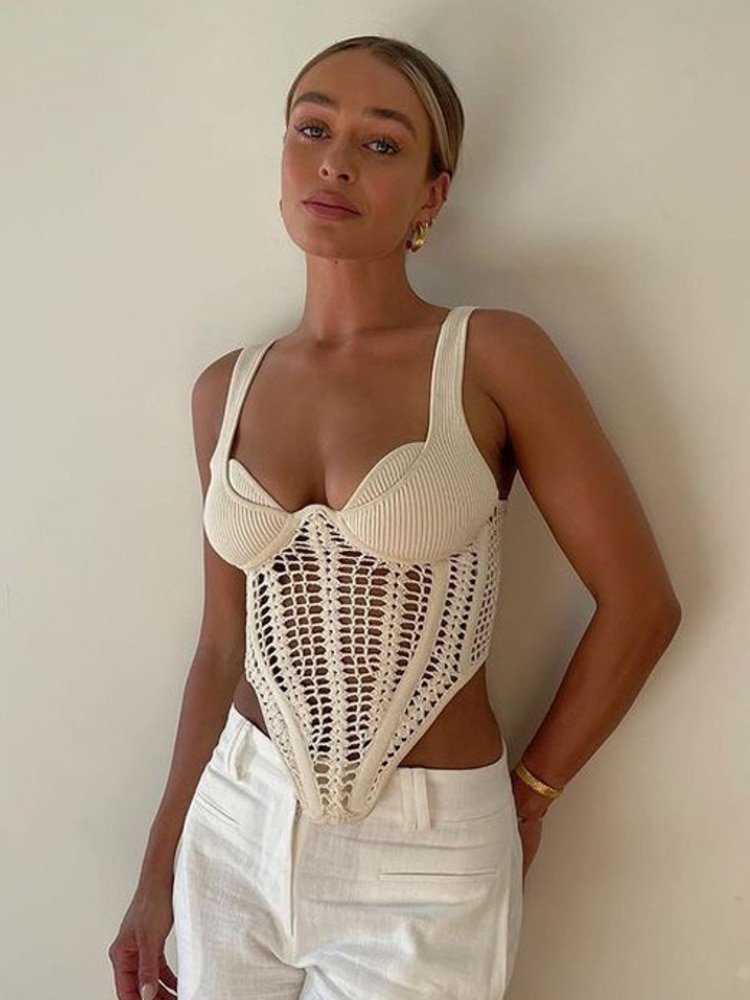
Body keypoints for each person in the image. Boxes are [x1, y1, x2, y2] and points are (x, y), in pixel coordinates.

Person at [108, 34, 682, 1000]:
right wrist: (157, 863)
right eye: (312, 129)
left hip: (429, 858)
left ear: (431, 195)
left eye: (381, 143)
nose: (335, 160)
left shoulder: (493, 355)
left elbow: (640, 605)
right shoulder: (225, 389)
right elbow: (221, 647)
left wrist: (533, 797)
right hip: (235, 823)